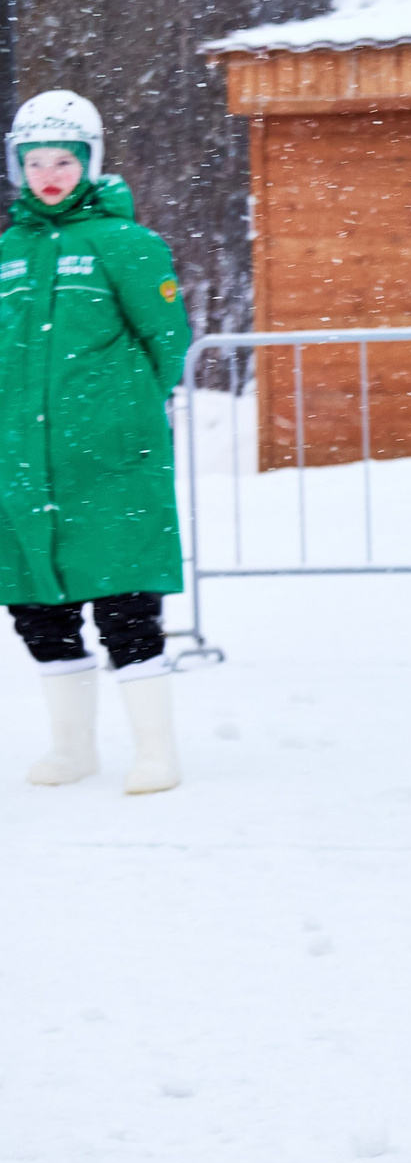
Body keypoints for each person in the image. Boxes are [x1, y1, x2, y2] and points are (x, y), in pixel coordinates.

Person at [1, 90, 192, 795]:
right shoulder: (9, 253)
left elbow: (167, 342)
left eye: (64, 160)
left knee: (125, 607)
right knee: (38, 610)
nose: (49, 175)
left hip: (112, 465)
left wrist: (120, 414)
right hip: (24, 465)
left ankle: (156, 752)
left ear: (90, 162)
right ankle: (73, 747)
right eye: (35, 162)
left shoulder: (128, 245)